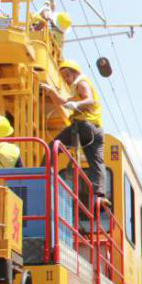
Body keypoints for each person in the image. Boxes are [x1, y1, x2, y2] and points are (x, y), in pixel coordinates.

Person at [42, 61, 106, 204]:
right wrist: (51, 91)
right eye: (63, 76)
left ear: (75, 73)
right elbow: (63, 102)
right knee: (97, 162)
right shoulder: (76, 88)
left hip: (84, 126)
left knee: (52, 147)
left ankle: (43, 177)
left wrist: (77, 104)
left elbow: (90, 100)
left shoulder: (81, 83)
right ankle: (99, 196)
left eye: (67, 75)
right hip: (97, 130)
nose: (65, 79)